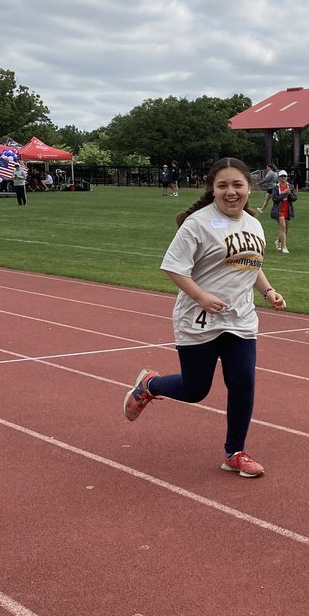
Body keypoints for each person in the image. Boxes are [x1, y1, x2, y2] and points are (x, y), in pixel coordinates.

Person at [122, 157, 286, 478]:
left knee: (243, 383)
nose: (231, 192)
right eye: (223, 185)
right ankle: (149, 385)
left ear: (248, 188)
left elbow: (249, 263)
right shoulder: (197, 223)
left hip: (240, 320)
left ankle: (235, 452)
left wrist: (267, 291)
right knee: (195, 390)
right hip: (198, 320)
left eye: (237, 185)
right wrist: (201, 296)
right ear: (212, 188)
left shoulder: (253, 223)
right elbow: (172, 266)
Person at [271, 170, 296, 254]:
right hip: (279, 210)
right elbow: (275, 199)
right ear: (279, 177)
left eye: (284, 176)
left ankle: (278, 241)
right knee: (283, 228)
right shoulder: (275, 187)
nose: (283, 178)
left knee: (286, 230)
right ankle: (284, 247)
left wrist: (290, 194)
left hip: (288, 210)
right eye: (281, 176)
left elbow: (294, 198)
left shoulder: (291, 186)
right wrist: (284, 194)